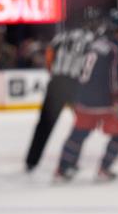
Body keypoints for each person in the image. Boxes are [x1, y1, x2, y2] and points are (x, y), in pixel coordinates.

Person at [53, 9, 118, 182]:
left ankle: (63, 169)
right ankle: (104, 169)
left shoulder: (96, 42)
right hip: (106, 102)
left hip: (82, 98)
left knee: (79, 133)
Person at [23, 11, 97, 172]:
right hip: (76, 85)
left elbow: (49, 58)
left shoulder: (60, 37)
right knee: (82, 124)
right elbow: (91, 63)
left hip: (56, 83)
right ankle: (70, 160)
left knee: (44, 125)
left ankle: (31, 161)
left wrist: (55, 74)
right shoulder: (91, 39)